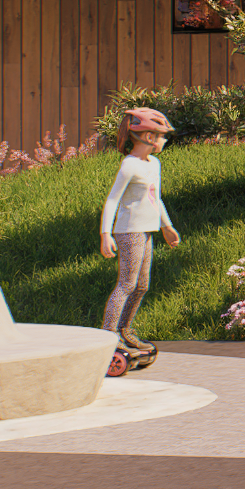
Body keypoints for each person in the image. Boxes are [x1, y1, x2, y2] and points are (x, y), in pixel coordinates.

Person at [96, 108, 179, 377]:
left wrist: (167, 226)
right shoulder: (129, 164)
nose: (164, 141)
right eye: (161, 136)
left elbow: (157, 198)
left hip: (147, 230)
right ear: (146, 135)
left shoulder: (153, 164)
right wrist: (105, 234)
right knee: (127, 284)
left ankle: (124, 329)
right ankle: (108, 336)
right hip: (129, 231)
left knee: (142, 285)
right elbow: (112, 199)